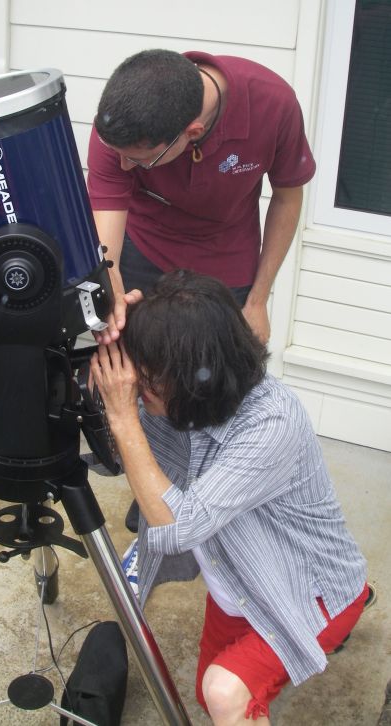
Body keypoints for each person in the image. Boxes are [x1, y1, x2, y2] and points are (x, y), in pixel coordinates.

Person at [90, 270, 368, 725]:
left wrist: (123, 417)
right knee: (207, 693)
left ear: (193, 376)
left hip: (308, 588)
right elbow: (113, 453)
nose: (136, 383)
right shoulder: (180, 396)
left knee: (224, 694)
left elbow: (179, 526)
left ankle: (349, 603)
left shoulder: (270, 423)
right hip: (241, 582)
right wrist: (107, 338)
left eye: (148, 373)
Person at [87, 49, 316, 346]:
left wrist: (258, 301)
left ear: (192, 133)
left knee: (213, 377)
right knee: (133, 364)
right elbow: (108, 251)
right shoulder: (117, 126)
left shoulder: (274, 106)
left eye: (141, 160)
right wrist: (113, 292)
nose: (125, 166)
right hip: (144, 245)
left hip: (226, 258)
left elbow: (288, 197)